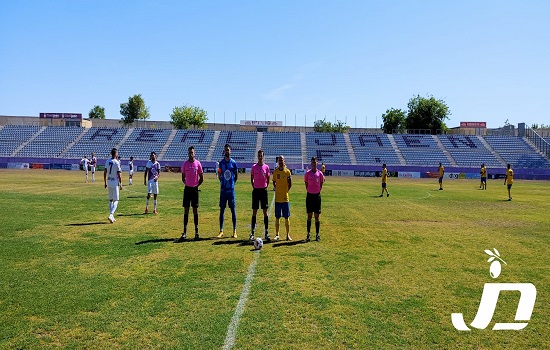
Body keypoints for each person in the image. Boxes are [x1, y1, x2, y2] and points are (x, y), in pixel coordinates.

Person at [177, 146, 204, 241]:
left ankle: (196, 232)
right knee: (186, 210)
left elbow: (201, 177)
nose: (191, 154)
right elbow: (183, 177)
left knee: (195, 210)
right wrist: (188, 184)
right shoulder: (185, 164)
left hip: (195, 190)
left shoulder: (198, 164)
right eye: (189, 153)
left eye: (192, 153)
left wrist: (196, 185)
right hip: (187, 189)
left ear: (194, 153)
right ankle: (184, 232)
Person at [217, 144, 238, 238]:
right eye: (225, 150)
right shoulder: (221, 163)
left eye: (228, 150)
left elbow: (236, 176)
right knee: (222, 210)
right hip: (223, 190)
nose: (227, 151)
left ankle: (234, 231)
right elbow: (219, 174)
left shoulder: (233, 163)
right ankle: (221, 231)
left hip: (231, 190)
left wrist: (232, 184)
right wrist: (222, 182)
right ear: (224, 151)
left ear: (230, 151)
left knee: (233, 210)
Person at [250, 150, 270, 241]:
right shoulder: (254, 167)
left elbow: (268, 179)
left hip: (263, 191)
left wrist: (264, 187)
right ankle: (252, 232)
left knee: (265, 212)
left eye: (261, 155)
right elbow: (252, 178)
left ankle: (266, 232)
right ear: (257, 156)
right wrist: (255, 186)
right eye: (259, 155)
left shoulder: (266, 167)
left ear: (263, 156)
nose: (260, 157)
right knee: (254, 212)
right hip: (256, 191)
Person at [304, 156, 325, 242]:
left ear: (317, 163)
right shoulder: (307, 174)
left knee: (317, 216)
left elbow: (321, 184)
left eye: (315, 162)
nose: (313, 164)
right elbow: (306, 183)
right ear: (311, 163)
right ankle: (308, 234)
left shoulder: (320, 174)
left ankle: (317, 234)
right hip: (309, 196)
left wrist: (317, 191)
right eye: (312, 162)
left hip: (317, 197)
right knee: (309, 216)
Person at [272, 155, 292, 241]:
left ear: (284, 161)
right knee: (277, 217)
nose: (280, 162)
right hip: (277, 198)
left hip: (285, 198)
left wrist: (286, 191)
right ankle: (277, 234)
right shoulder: (275, 172)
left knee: (286, 217)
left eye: (282, 160)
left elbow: (290, 183)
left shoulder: (287, 172)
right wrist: (277, 189)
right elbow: (274, 182)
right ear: (278, 162)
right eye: (279, 160)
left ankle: (287, 235)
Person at [104, 148, 122, 223]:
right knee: (116, 200)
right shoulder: (116, 162)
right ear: (115, 154)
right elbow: (119, 174)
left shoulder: (107, 161)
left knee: (110, 199)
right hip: (114, 182)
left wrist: (105, 182)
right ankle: (111, 214)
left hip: (109, 181)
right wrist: (120, 183)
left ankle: (112, 217)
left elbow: (105, 172)